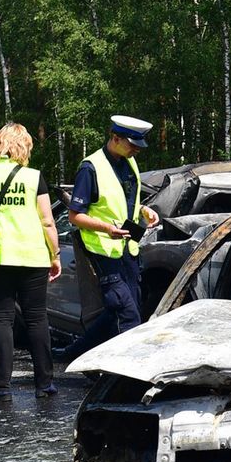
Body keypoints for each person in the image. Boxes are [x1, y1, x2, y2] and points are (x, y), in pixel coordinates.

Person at [0, 123, 63, 403]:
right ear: (24, 146)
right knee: (36, 318)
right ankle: (44, 384)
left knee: (1, 319)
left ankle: (1, 387)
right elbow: (47, 221)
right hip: (33, 257)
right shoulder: (34, 178)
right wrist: (54, 255)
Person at [57, 115, 159, 363]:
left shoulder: (129, 162)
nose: (136, 150)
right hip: (103, 250)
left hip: (128, 250)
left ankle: (77, 353)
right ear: (115, 138)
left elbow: (125, 202)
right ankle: (125, 376)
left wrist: (145, 211)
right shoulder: (90, 168)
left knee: (118, 310)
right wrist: (106, 228)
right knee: (127, 314)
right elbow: (74, 216)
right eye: (132, 144)